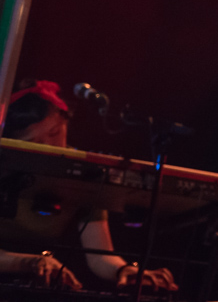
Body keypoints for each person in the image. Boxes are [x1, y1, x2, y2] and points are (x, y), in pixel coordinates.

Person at [0, 80, 177, 292]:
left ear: (66, 122)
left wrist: (124, 270)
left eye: (55, 132)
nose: (49, 147)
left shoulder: (84, 173)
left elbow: (99, 257)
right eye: (34, 142)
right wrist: (29, 262)